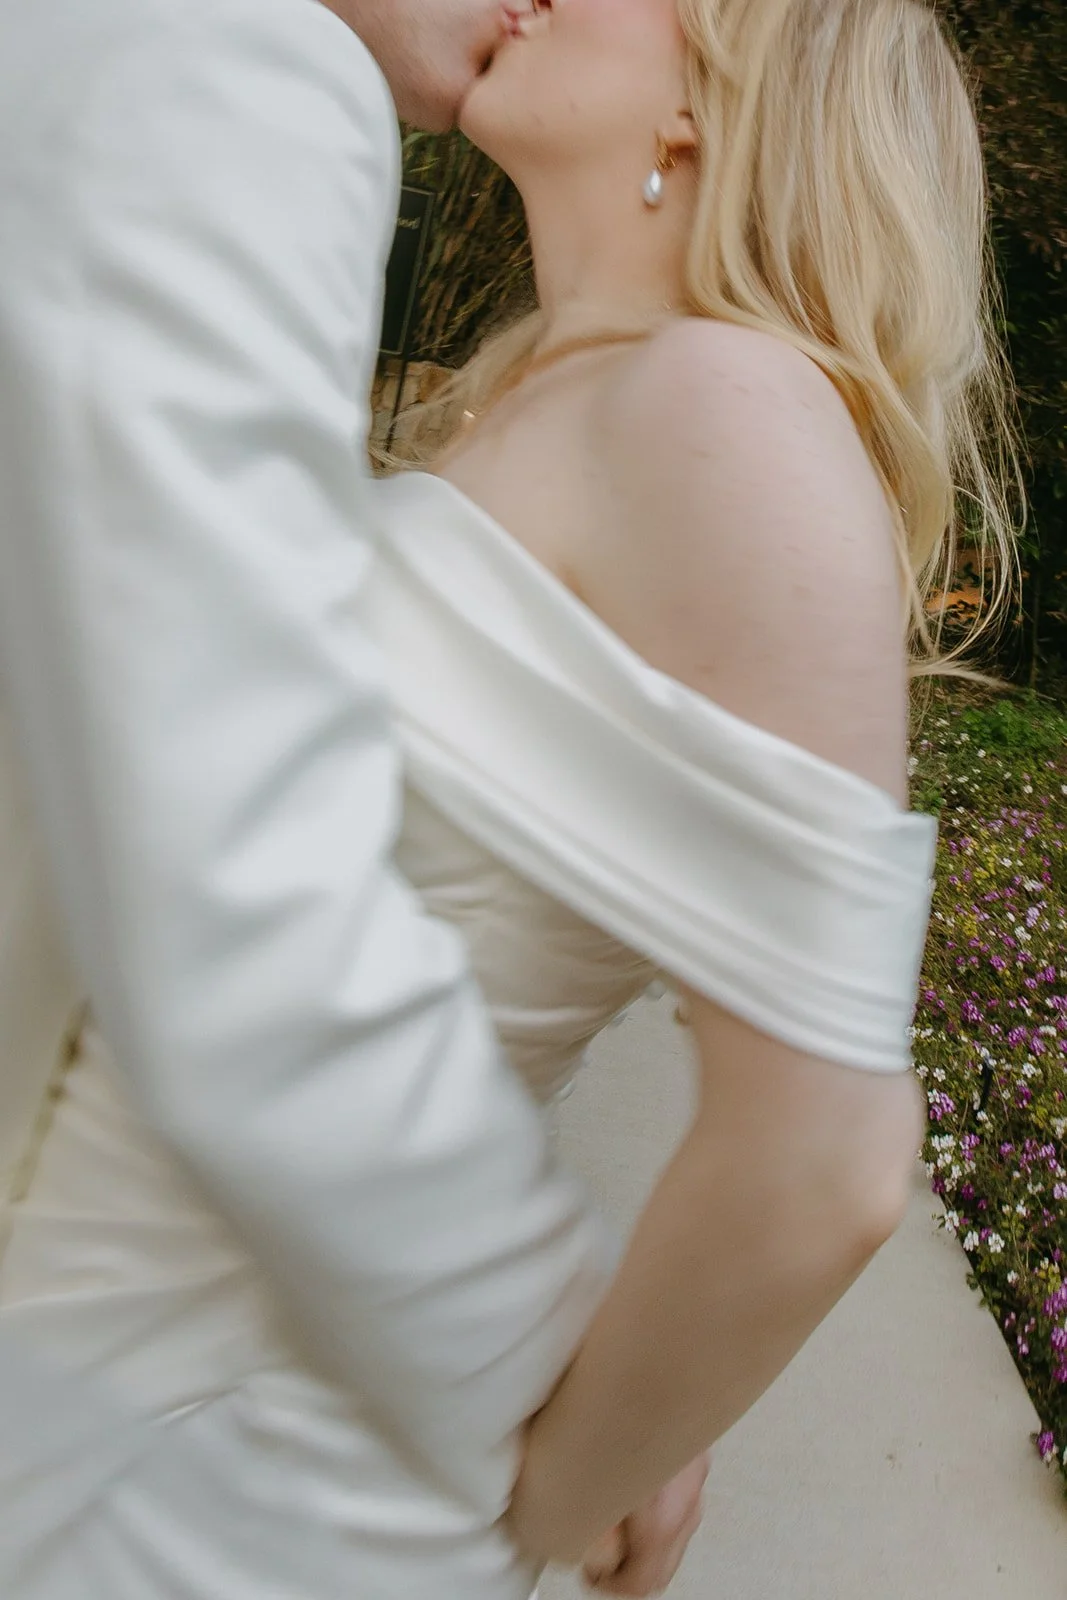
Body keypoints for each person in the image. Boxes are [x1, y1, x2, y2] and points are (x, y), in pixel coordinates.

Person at [0, 6, 1015, 1600]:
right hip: (105, 1368)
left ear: (708, 99)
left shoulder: (727, 405)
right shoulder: (550, 407)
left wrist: (568, 1481)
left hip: (235, 1478)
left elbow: (823, 1156)